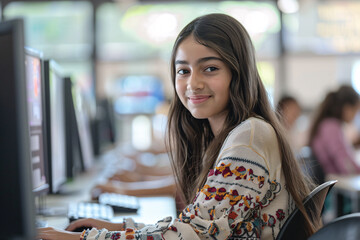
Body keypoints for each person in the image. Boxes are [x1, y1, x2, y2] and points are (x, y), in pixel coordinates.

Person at [37, 13, 318, 240]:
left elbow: (194, 234)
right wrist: (117, 227)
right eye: (183, 71)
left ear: (238, 72)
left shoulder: (249, 136)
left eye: (210, 68)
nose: (192, 83)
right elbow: (196, 224)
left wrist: (85, 238)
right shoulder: (229, 136)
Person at [309, 85, 360, 175]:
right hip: (332, 183)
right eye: (356, 110)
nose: (356, 115)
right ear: (347, 108)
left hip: (332, 179)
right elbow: (343, 159)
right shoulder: (331, 126)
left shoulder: (328, 123)